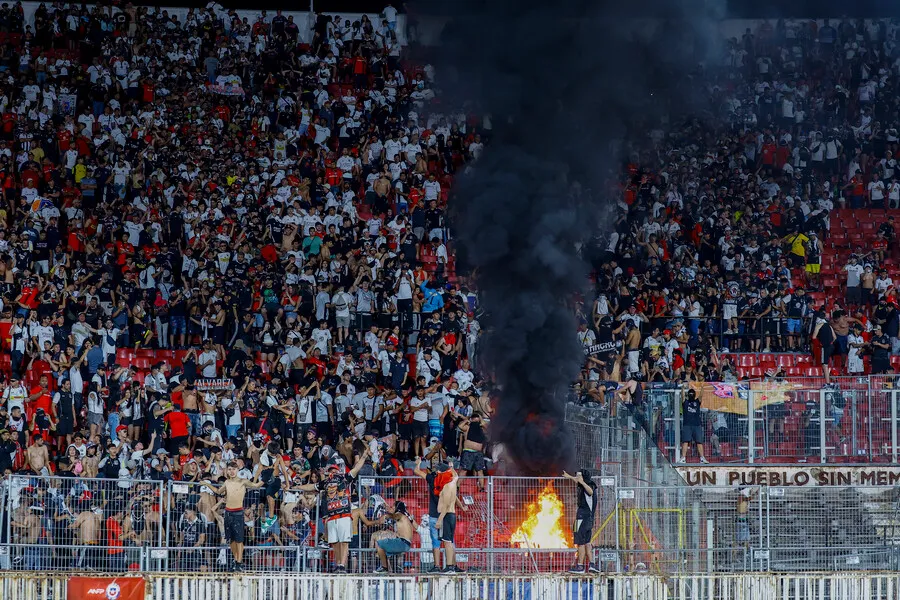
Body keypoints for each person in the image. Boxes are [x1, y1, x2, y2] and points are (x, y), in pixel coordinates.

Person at [295, 447, 370, 573]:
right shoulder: (325, 482)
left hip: (344, 515)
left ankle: (342, 565)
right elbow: (311, 486)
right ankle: (338, 564)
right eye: (330, 470)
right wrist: (297, 486)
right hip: (332, 516)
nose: (332, 472)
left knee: (344, 541)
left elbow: (356, 469)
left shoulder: (345, 478)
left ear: (338, 470)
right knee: (335, 542)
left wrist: (363, 457)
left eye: (334, 469)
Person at [202, 461, 266, 572]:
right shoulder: (226, 482)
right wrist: (207, 484)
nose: (232, 471)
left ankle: (239, 562)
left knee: (239, 539)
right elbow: (218, 491)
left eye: (234, 469)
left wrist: (265, 476)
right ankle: (235, 560)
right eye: (230, 469)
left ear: (237, 470)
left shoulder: (243, 481)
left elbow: (256, 485)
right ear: (227, 470)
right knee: (231, 539)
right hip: (228, 512)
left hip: (238, 512)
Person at [563, 470, 600, 573]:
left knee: (580, 543)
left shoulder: (588, 486)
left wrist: (582, 482)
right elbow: (578, 481)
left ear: (583, 478)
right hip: (588, 520)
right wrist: (569, 476)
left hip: (582, 519)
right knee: (587, 542)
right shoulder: (586, 483)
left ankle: (580, 566)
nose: (577, 477)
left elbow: (590, 492)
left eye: (579, 475)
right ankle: (592, 565)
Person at [435, 459, 465, 573]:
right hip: (452, 515)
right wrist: (451, 468)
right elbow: (456, 475)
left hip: (447, 515)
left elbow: (446, 505)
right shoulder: (453, 482)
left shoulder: (447, 486)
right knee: (450, 542)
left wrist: (439, 520)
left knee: (447, 542)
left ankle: (449, 566)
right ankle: (453, 565)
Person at [373, 500, 415, 573]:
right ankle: (386, 567)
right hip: (405, 543)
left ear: (397, 508)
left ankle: (384, 568)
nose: (391, 508)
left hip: (403, 543)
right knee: (382, 550)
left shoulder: (400, 514)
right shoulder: (405, 517)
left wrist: (387, 515)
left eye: (393, 507)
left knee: (379, 544)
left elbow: (395, 516)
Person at [680, 389, 708, 464]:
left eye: (692, 393)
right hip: (687, 425)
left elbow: (701, 395)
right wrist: (682, 387)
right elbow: (682, 396)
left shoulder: (697, 402)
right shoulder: (685, 402)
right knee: (685, 441)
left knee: (699, 442)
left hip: (697, 425)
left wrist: (702, 386)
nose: (691, 395)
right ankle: (683, 458)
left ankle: (702, 458)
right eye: (690, 393)